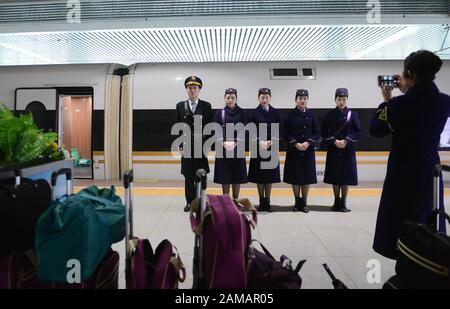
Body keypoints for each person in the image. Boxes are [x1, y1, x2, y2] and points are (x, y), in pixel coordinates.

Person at [371, 50, 450, 259]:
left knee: (401, 220)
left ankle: (404, 263)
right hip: (429, 169)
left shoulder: (398, 105)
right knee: (427, 215)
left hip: (403, 172)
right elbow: (423, 103)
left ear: (410, 74)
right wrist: (408, 92)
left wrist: (387, 100)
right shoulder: (444, 102)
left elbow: (376, 129)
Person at [321, 88, 362, 212]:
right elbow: (324, 131)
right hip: (334, 149)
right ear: (335, 100)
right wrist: (334, 141)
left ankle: (343, 202)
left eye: (344, 99)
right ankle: (336, 202)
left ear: (347, 100)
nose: (341, 102)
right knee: (335, 176)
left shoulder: (352, 114)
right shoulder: (330, 114)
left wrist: (346, 140)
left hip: (347, 150)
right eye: (339, 99)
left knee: (346, 177)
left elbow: (358, 131)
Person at [175, 76, 212, 212]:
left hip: (201, 147)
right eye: (190, 88)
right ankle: (190, 203)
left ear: (199, 89)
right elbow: (178, 126)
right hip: (187, 147)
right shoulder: (180, 106)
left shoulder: (206, 106)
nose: (192, 90)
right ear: (186, 89)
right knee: (188, 177)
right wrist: (179, 145)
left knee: (200, 176)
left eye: (195, 88)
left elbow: (210, 126)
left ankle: (200, 202)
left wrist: (208, 145)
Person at [283, 89, 320, 212]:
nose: (302, 100)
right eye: (300, 98)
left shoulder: (312, 115)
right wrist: (295, 143)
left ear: (308, 100)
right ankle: (296, 202)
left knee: (306, 178)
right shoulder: (290, 115)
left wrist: (308, 142)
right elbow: (285, 132)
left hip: (308, 150)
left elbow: (317, 132)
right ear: (296, 100)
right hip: (294, 150)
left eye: (305, 98)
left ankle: (304, 202)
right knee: (295, 177)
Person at [248, 88, 282, 212]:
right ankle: (261, 201)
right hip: (258, 148)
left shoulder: (276, 113)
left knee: (269, 177)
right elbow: (249, 129)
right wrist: (259, 141)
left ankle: (267, 201)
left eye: (267, 97)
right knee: (259, 176)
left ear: (270, 98)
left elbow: (280, 129)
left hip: (271, 148)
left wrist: (272, 141)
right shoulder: (253, 113)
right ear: (258, 98)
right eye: (262, 97)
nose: (264, 100)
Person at [213, 88, 248, 199]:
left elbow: (246, 129)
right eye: (228, 97)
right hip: (223, 149)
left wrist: (236, 142)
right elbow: (215, 130)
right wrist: (224, 143)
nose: (230, 100)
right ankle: (226, 201)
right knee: (225, 176)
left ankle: (236, 200)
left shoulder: (243, 112)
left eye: (232, 97)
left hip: (238, 148)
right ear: (224, 98)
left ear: (236, 99)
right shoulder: (220, 113)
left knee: (237, 176)